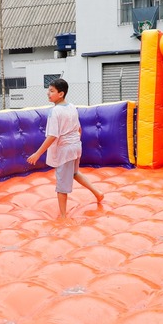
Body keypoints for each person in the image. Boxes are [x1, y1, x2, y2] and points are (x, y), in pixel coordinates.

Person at [26, 78, 104, 219]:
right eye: (48, 90)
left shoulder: (55, 111)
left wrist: (37, 154)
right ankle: (97, 193)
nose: (48, 93)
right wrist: (74, 142)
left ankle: (63, 216)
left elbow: (52, 136)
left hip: (66, 150)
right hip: (75, 147)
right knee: (74, 173)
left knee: (61, 185)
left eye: (51, 91)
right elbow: (79, 129)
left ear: (61, 94)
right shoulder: (72, 107)